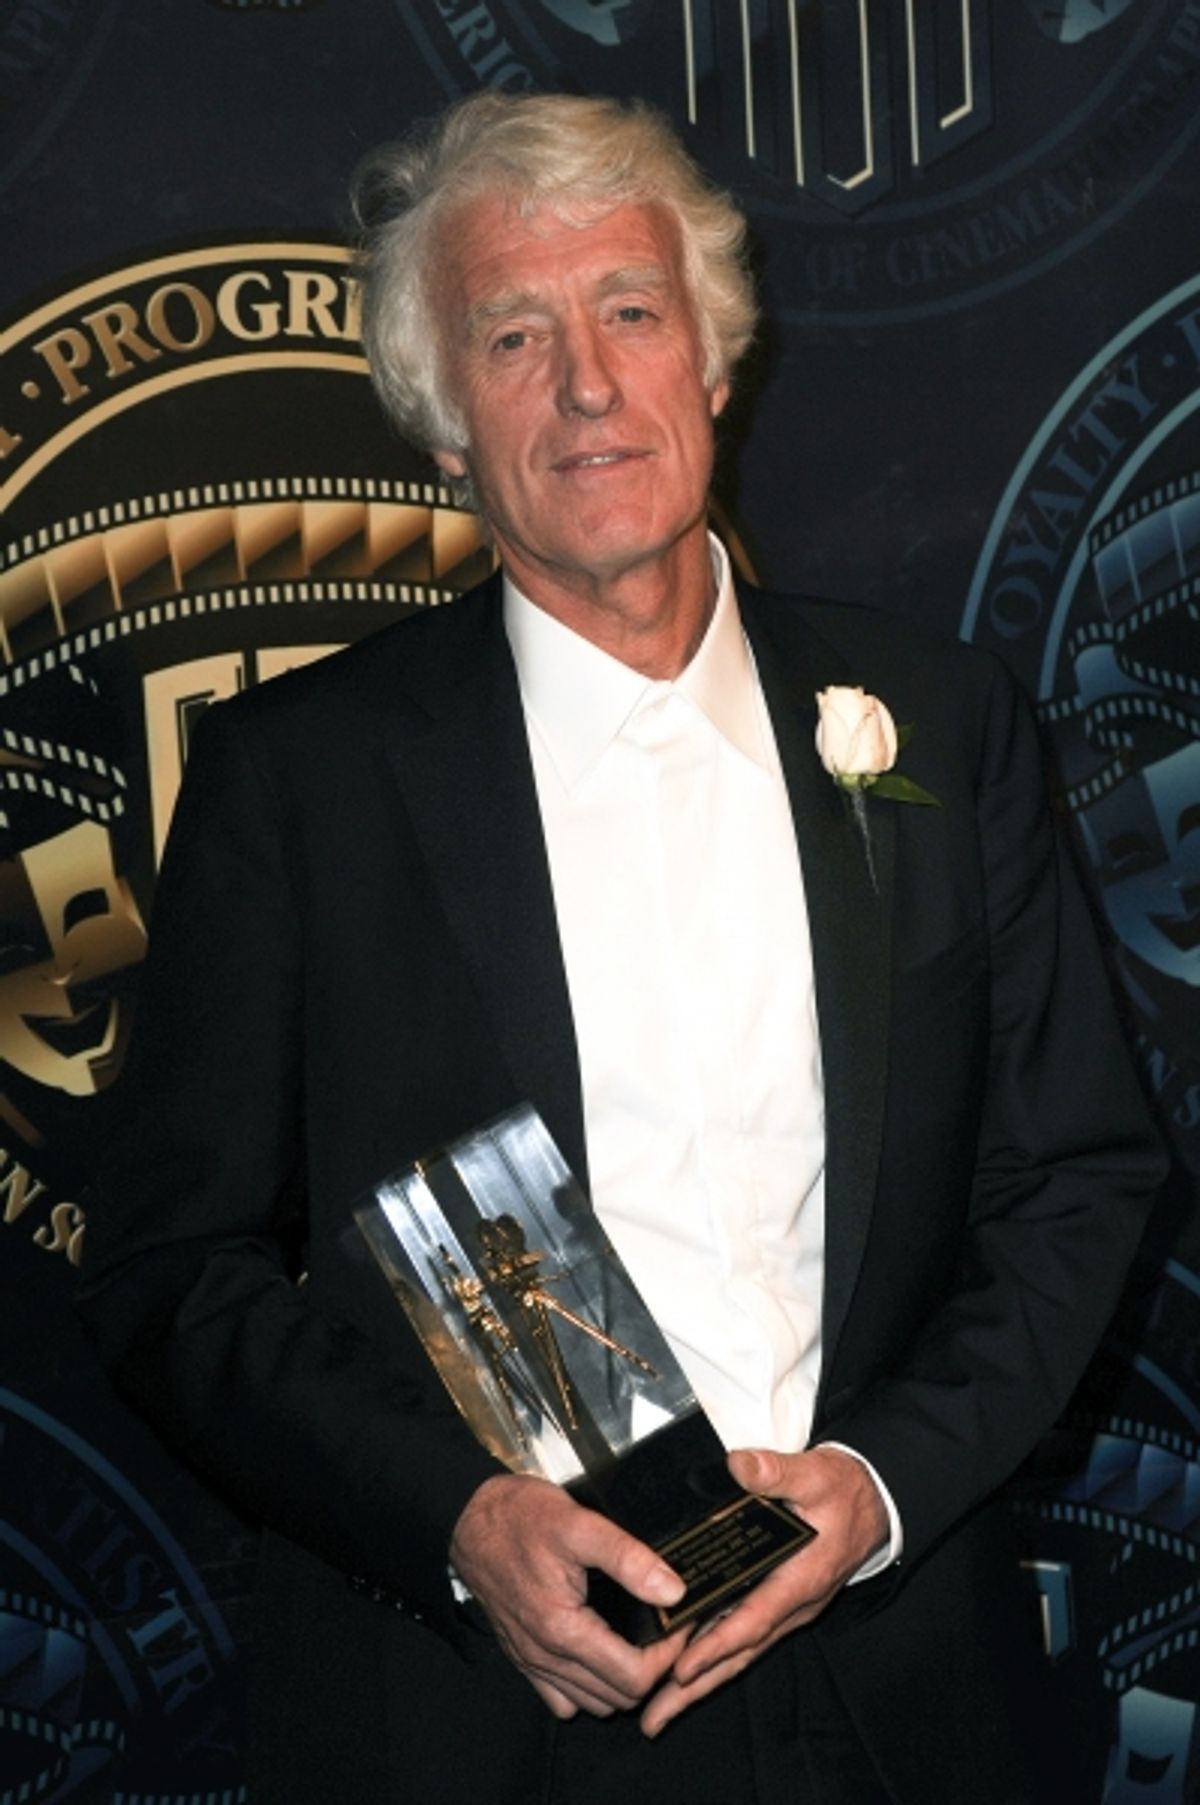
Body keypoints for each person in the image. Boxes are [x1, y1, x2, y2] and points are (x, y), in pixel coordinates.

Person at [76, 92, 1165, 1803]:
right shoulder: (302, 781)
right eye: (516, 335)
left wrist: (878, 1486)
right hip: (490, 1716)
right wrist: (456, 1523)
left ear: (716, 363)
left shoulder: (941, 721)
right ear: (443, 426)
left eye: (631, 313)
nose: (588, 383)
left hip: (903, 1697)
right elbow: (166, 1267)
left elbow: (1082, 1179)